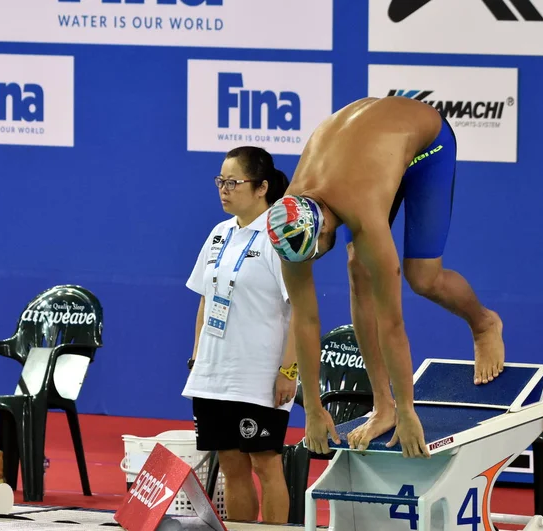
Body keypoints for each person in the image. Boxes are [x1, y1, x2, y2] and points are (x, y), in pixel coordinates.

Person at [265, 96, 505, 459]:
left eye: (317, 251)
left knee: (422, 277)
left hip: (426, 147)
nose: (313, 260)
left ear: (326, 222)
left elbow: (392, 323)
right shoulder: (288, 225)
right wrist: (313, 408)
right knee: (356, 272)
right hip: (366, 155)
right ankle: (382, 406)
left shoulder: (360, 210)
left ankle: (484, 324)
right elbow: (305, 319)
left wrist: (409, 412)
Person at [182, 146, 297, 524]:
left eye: (233, 182)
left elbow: (299, 312)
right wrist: (198, 355)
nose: (224, 189)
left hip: (258, 378)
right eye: (220, 181)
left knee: (266, 465)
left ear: (262, 187)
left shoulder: (278, 238)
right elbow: (206, 299)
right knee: (232, 465)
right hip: (214, 376)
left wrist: (288, 371)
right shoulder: (219, 234)